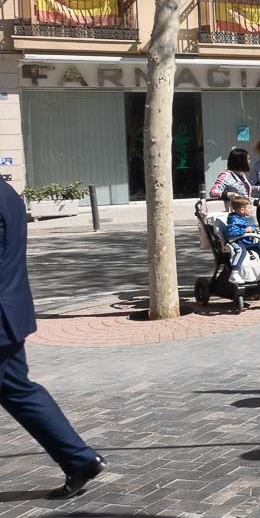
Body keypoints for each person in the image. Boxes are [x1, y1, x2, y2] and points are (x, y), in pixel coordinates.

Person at [0, 178, 107, 499]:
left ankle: (79, 459)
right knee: (18, 390)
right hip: (9, 312)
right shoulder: (8, 194)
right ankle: (79, 460)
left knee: (19, 391)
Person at [226, 196, 260, 282]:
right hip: (238, 242)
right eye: (249, 208)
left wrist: (252, 229)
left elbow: (252, 227)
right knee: (240, 251)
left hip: (247, 242)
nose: (252, 210)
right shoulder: (234, 220)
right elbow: (232, 232)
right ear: (242, 210)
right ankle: (234, 273)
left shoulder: (245, 219)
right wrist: (244, 230)